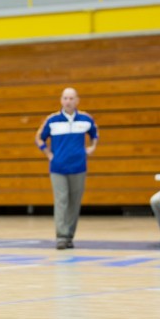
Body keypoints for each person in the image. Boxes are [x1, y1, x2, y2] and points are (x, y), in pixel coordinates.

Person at [34, 88, 99, 249]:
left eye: (71, 98)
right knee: (61, 200)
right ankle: (61, 237)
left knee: (74, 203)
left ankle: (70, 236)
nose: (68, 101)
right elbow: (39, 138)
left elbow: (94, 134)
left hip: (79, 167)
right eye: (65, 98)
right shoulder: (52, 120)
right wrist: (48, 154)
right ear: (61, 100)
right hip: (58, 168)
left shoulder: (86, 119)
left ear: (77, 100)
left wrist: (92, 148)